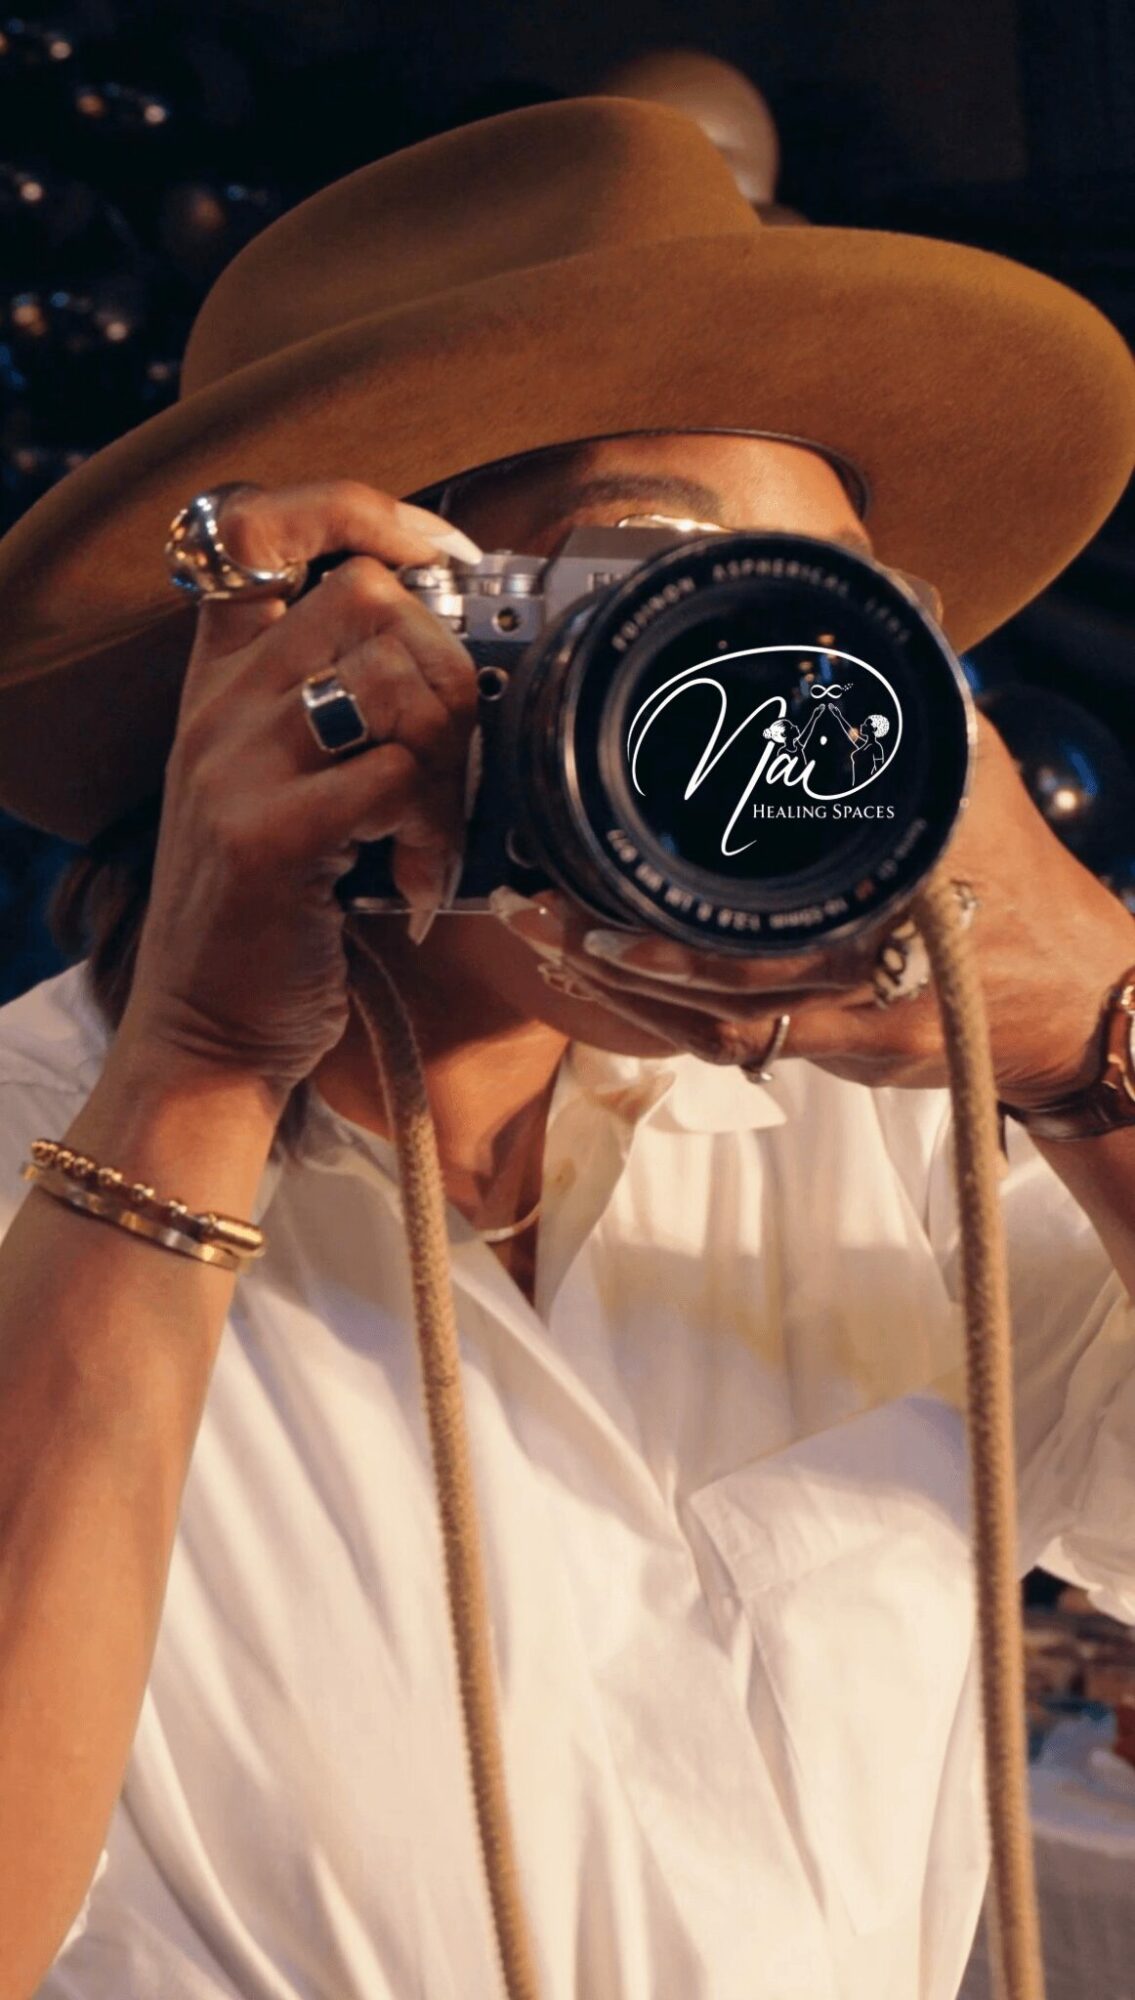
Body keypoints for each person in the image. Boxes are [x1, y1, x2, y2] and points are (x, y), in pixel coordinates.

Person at [0, 95, 1134, 2000]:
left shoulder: (893, 1142)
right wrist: (198, 1066)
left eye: (826, 619)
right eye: (638, 603)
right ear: (332, 659)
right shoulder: (45, 1138)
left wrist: (1091, 1018)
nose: (759, 716)